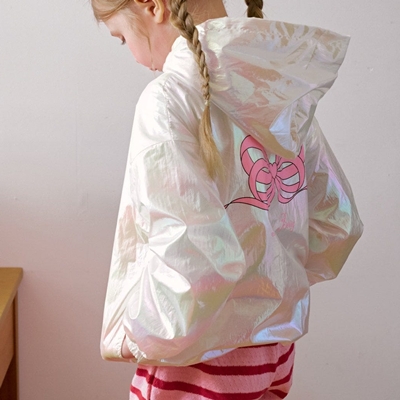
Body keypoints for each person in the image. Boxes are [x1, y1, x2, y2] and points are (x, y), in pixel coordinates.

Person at [91, 0, 363, 398]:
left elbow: (196, 257)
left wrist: (137, 334)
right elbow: (338, 223)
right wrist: (275, 287)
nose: (133, 56)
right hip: (274, 351)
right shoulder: (281, 93)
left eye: (122, 38)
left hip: (197, 360)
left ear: (153, 7)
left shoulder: (167, 100)